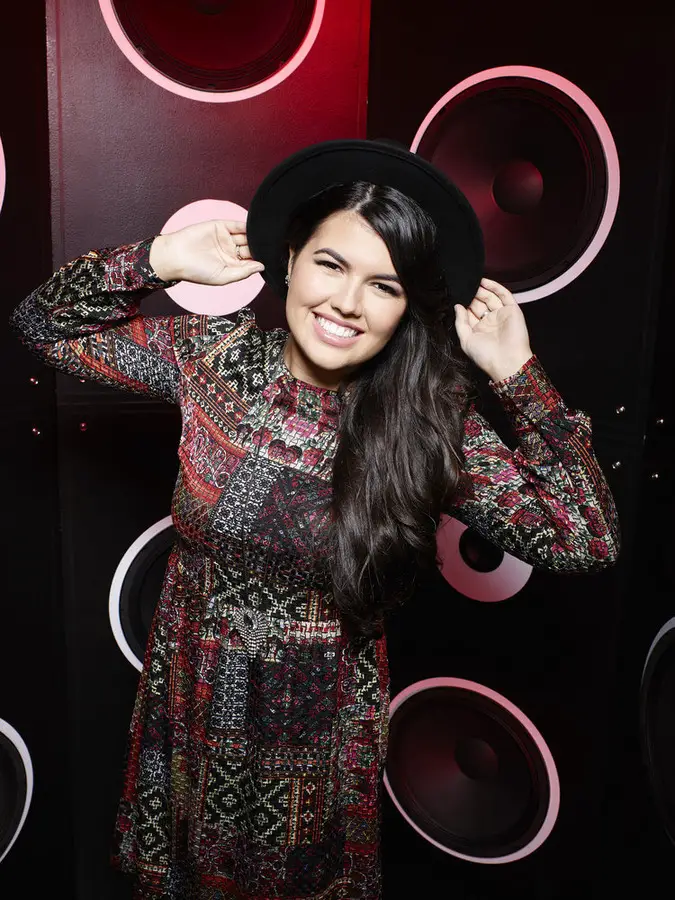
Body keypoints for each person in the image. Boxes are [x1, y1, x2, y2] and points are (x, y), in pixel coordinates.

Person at [9, 139, 621, 899]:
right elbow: (43, 325)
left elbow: (585, 540)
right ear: (291, 260)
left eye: (384, 285)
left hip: (308, 735)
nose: (347, 303)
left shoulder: (429, 422)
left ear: (407, 305)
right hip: (190, 690)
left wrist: (518, 378)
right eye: (331, 264)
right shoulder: (214, 358)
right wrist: (159, 259)